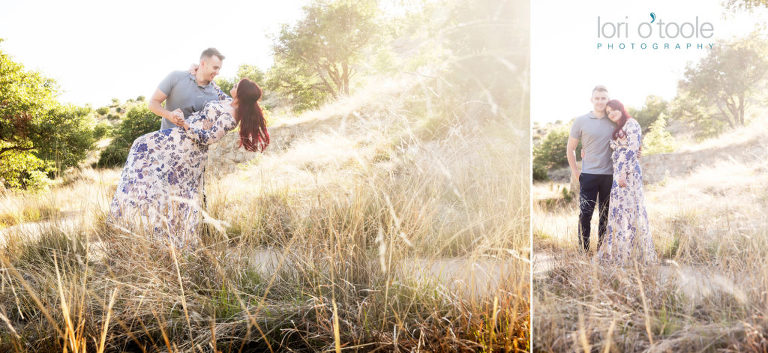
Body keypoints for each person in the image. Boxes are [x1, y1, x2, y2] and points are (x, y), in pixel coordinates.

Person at [108, 79, 270, 248]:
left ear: (241, 94)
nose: (234, 85)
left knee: (177, 191)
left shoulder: (231, 117)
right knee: (142, 147)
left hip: (190, 149)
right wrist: (204, 74)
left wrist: (185, 124)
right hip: (179, 137)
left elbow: (208, 138)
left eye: (237, 86)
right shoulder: (227, 101)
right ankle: (134, 206)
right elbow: (217, 90)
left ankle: (175, 241)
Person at [597, 100, 657, 264]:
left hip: (627, 173)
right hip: (618, 172)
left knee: (631, 210)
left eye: (614, 109)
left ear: (621, 108)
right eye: (608, 112)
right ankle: (622, 252)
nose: (611, 113)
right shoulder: (618, 127)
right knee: (619, 211)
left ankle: (636, 254)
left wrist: (624, 172)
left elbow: (632, 148)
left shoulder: (631, 123)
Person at [567, 85, 615, 252]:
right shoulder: (581, 121)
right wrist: (575, 171)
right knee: (585, 214)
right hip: (588, 175)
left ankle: (602, 252)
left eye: (603, 98)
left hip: (609, 176)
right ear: (591, 100)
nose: (600, 101)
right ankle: (584, 250)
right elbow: (570, 148)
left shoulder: (614, 120)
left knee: (605, 215)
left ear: (608, 100)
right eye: (597, 98)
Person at [149, 48, 229, 130]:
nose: (218, 72)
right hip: (167, 136)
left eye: (219, 69)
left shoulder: (215, 93)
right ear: (203, 63)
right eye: (215, 68)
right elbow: (153, 103)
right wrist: (169, 115)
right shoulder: (176, 77)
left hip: (195, 138)